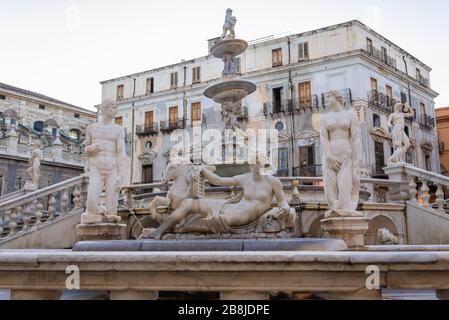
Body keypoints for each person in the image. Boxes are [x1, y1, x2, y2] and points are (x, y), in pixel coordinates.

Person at [145, 154, 291, 239]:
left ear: (264, 163)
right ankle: (160, 231)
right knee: (188, 203)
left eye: (258, 163)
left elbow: (283, 202)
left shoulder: (273, 182)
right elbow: (219, 181)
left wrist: (285, 209)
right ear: (250, 165)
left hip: (244, 215)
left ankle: (181, 229)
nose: (256, 166)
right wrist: (202, 169)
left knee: (217, 219)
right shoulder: (245, 177)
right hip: (230, 206)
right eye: (253, 163)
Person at [81, 99, 127, 224]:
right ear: (104, 109)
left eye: (116, 108)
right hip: (96, 168)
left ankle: (110, 229)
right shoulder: (91, 128)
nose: (115, 110)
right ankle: (96, 214)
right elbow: (85, 149)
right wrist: (89, 148)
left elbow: (121, 154)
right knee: (90, 206)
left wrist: (121, 176)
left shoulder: (118, 129)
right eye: (113, 107)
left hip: (112, 169)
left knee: (112, 212)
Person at [320, 91, 362, 215]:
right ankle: (334, 208)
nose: (326, 99)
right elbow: (323, 137)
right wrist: (328, 155)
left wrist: (358, 157)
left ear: (336, 97)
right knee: (330, 188)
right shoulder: (325, 118)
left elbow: (356, 138)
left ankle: (345, 207)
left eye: (328, 96)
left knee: (344, 191)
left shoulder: (350, 115)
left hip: (346, 157)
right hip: (329, 158)